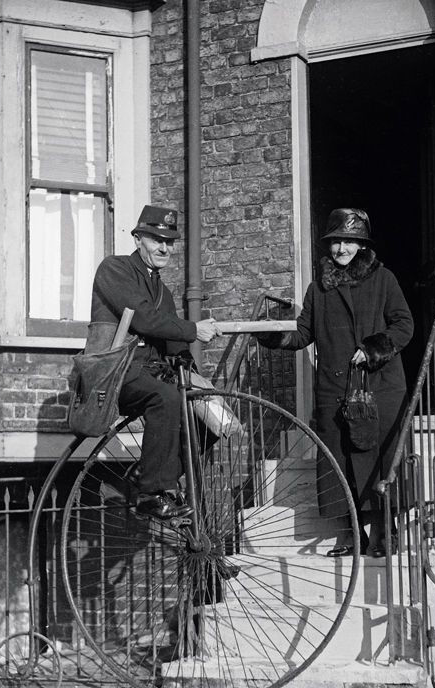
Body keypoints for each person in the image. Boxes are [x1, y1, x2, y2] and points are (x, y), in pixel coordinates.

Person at [257, 207, 414, 557]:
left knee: (380, 460)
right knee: (339, 462)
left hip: (380, 385)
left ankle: (387, 532)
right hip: (334, 388)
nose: (342, 248)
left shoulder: (383, 280)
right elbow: (303, 335)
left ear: (361, 246)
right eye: (336, 241)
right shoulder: (319, 289)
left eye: (350, 241)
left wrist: (375, 349)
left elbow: (404, 325)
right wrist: (273, 335)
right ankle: (352, 533)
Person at [90, 204, 218, 520]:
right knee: (165, 398)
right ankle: (150, 492)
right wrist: (193, 329)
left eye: (169, 242)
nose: (163, 247)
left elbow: (175, 346)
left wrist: (195, 377)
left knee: (206, 422)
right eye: (155, 239)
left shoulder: (164, 292)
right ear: (138, 239)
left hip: (151, 375)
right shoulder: (115, 270)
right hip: (116, 371)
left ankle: (153, 481)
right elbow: (145, 320)